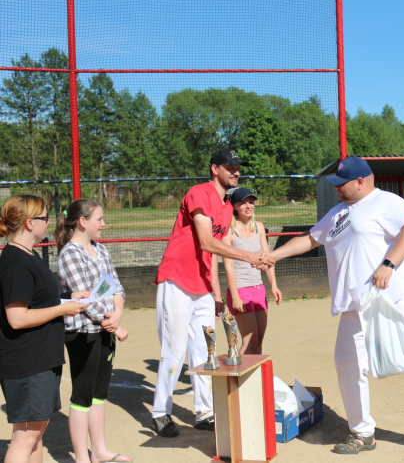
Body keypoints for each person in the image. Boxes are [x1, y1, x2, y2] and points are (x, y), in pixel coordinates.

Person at [266, 156, 404, 458]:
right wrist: (272, 256)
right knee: (347, 365)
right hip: (356, 303)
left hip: (395, 299)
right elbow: (310, 239)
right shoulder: (339, 212)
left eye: (342, 184)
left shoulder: (386, 202)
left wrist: (388, 264)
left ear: (360, 181)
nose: (337, 188)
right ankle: (362, 432)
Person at [151, 149, 274, 438]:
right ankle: (160, 413)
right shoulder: (199, 193)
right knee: (174, 348)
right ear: (214, 169)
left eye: (238, 167)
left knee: (205, 349)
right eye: (230, 167)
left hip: (203, 286)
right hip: (177, 279)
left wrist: (216, 294)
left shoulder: (226, 207)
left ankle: (204, 411)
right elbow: (206, 242)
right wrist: (250, 257)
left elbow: (214, 255)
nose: (236, 172)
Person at [0, 195, 90, 463]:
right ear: (30, 223)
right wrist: (63, 309)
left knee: (36, 433)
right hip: (27, 361)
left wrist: (69, 298)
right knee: (26, 436)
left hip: (40, 357)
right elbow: (17, 317)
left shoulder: (29, 255)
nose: (49, 222)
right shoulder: (15, 262)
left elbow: (37, 299)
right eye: (44, 218)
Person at [55, 199, 132, 463]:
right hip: (83, 333)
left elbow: (116, 286)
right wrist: (114, 325)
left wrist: (117, 313)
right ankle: (81, 457)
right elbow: (85, 300)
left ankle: (99, 451)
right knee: (82, 394)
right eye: (99, 219)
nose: (103, 224)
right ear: (82, 221)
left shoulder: (100, 249)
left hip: (105, 330)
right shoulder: (70, 254)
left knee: (99, 393)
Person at [219, 188, 282, 355]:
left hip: (258, 289)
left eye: (251, 202)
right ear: (234, 206)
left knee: (259, 340)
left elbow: (267, 258)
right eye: (243, 203)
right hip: (240, 290)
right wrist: (235, 296)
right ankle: (235, 370)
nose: (248, 206)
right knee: (250, 341)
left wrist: (273, 285)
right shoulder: (228, 231)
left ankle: (255, 373)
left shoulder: (259, 227)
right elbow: (228, 267)